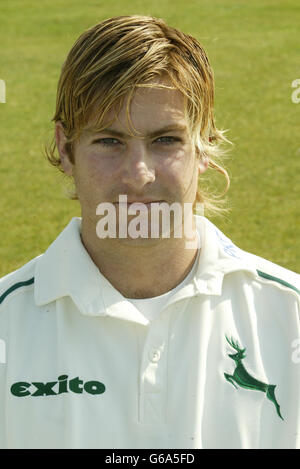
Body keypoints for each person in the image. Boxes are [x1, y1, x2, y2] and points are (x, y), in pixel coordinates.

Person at [0, 15, 299, 450]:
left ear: (204, 146)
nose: (139, 176)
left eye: (165, 140)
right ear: (66, 151)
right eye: (109, 141)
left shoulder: (290, 317)